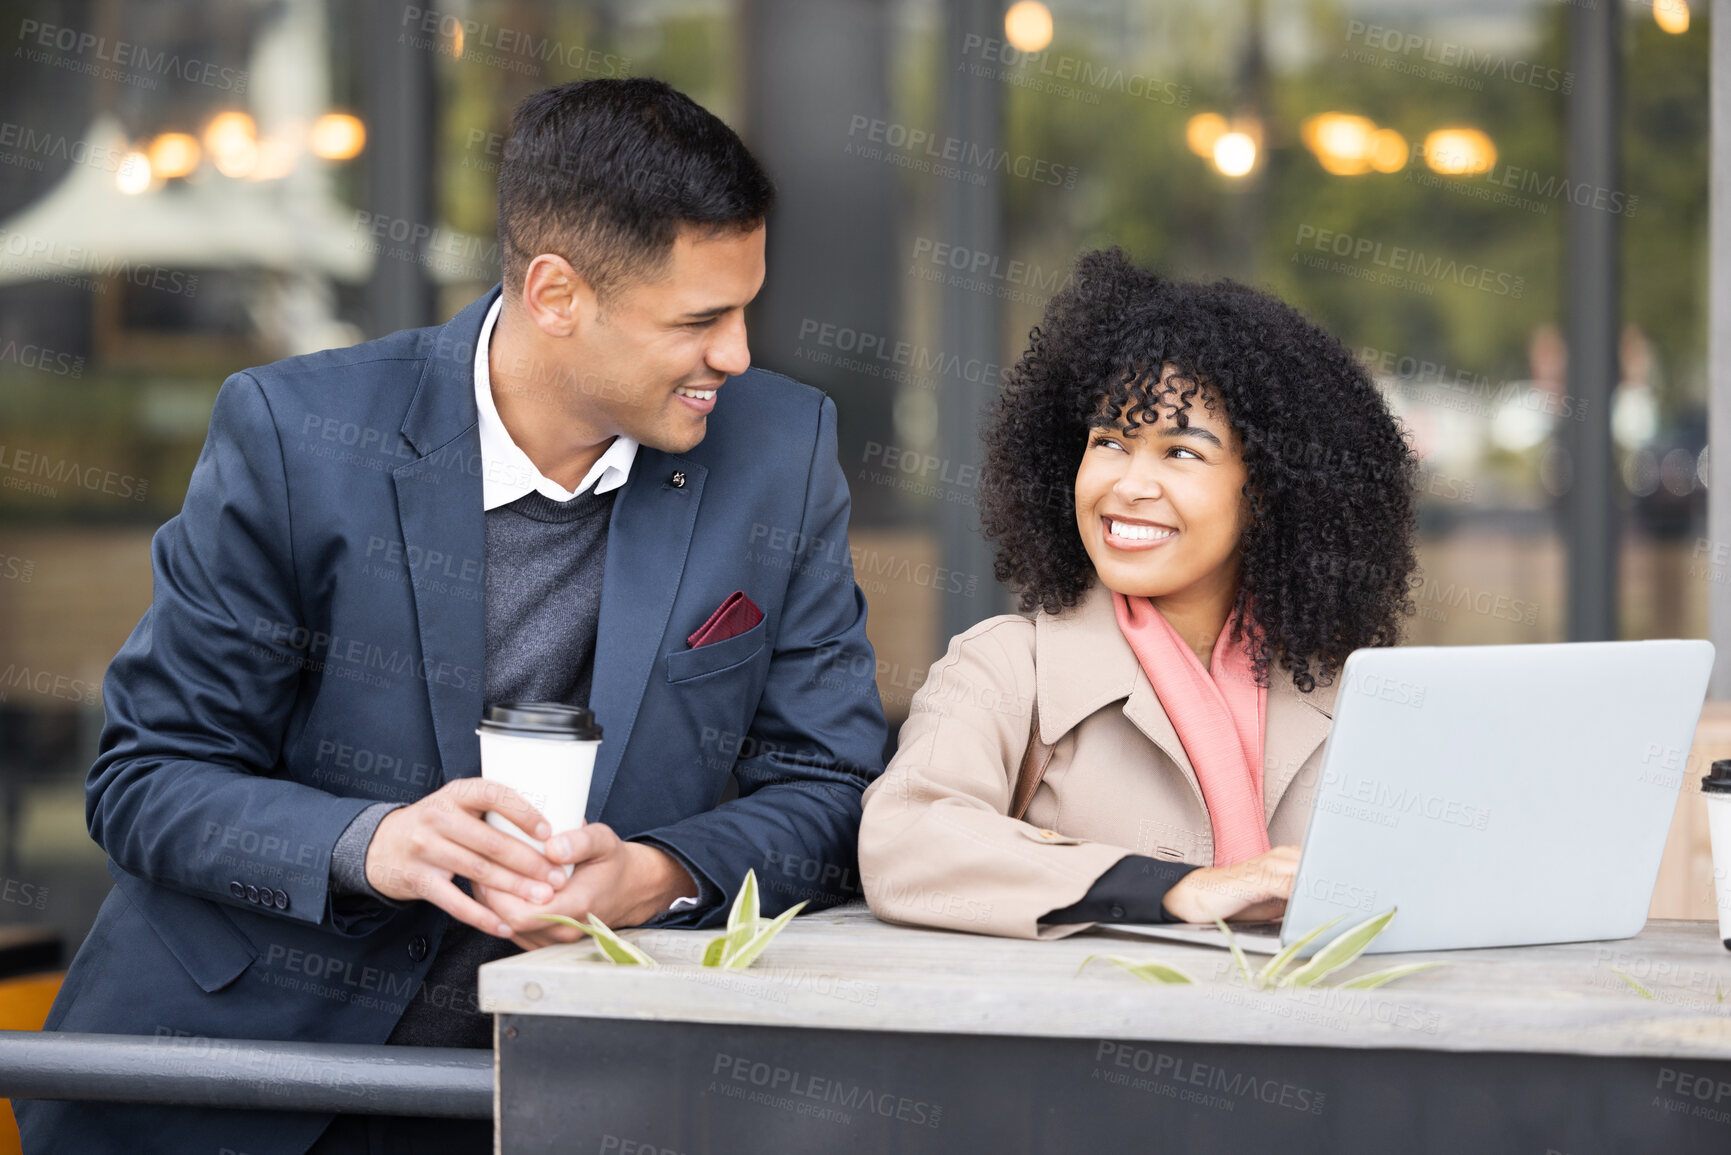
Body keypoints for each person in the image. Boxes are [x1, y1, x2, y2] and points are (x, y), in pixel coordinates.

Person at [18, 79, 886, 1155]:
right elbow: (148, 777)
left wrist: (658, 876)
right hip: (243, 1079)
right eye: (700, 320)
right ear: (556, 295)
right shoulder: (297, 434)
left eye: (746, 307)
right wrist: (369, 843)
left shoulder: (781, 452)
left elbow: (831, 784)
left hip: (569, 1093)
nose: (739, 356)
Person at [859, 248, 1416, 939]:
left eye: (1180, 452)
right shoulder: (1005, 666)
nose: (1127, 484)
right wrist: (1176, 888)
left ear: (1268, 490)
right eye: (1109, 442)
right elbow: (903, 843)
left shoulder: (1350, 683)